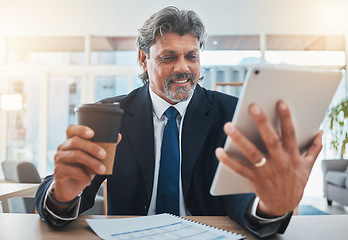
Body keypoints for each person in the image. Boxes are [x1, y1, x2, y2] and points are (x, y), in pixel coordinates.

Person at [35, 6, 322, 238]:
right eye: (168, 57)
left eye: (192, 57)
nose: (183, 68)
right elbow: (68, 194)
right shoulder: (112, 114)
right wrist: (62, 193)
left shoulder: (230, 114)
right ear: (143, 59)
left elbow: (241, 197)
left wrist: (270, 206)